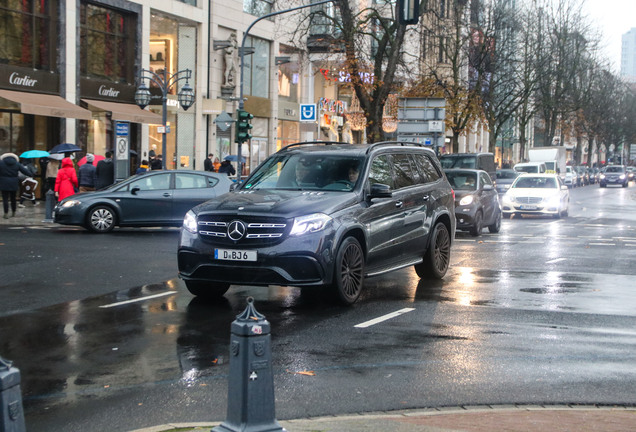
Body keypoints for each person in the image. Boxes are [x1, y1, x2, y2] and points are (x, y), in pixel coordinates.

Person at [0, 153, 33, 218]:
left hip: (3, 183)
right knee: (13, 199)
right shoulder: (16, 163)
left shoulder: (1, 163)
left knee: (5, 199)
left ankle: (6, 213)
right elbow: (25, 171)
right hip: (14, 183)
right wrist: (31, 174)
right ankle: (13, 212)